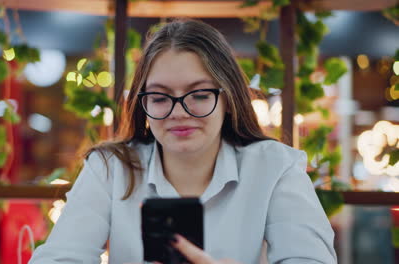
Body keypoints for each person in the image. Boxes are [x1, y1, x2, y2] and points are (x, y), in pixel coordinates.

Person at [29, 19, 337, 264]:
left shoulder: (275, 166)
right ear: (142, 103)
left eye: (200, 95)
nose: (179, 113)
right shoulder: (110, 168)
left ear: (228, 98)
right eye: (160, 97)